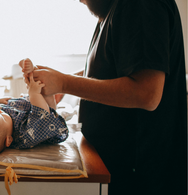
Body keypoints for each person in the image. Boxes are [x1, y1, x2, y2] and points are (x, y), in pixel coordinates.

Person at [29, 0, 187, 195]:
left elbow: (147, 94)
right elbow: (110, 68)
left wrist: (65, 83)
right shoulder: (115, 10)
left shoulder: (140, 5)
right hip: (122, 167)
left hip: (141, 176)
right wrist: (62, 81)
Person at [0, 59, 68, 157]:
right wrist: (34, 93)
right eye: (1, 115)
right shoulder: (24, 136)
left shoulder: (0, 123)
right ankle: (34, 75)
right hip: (40, 110)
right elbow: (42, 115)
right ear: (8, 140)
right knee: (50, 105)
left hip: (18, 106)